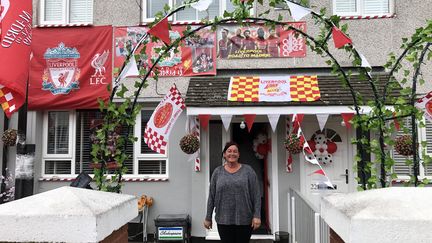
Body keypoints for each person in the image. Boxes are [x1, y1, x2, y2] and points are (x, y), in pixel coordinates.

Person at [204, 141, 261, 243]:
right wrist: (208, 217)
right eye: (229, 151)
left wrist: (257, 216)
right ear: (225, 154)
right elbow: (211, 197)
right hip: (223, 219)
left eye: (235, 151)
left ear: (238, 155)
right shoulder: (217, 172)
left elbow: (256, 195)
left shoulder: (248, 171)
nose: (232, 154)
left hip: (244, 220)